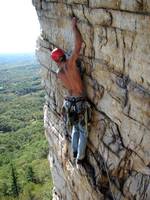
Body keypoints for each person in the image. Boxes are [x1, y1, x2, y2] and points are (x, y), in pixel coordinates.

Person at [50, 17, 90, 165]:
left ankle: (74, 150)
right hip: (80, 101)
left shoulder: (58, 73)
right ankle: (80, 157)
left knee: (75, 128)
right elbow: (78, 45)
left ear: (55, 60)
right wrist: (74, 27)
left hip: (69, 102)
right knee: (83, 131)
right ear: (63, 55)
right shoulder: (71, 64)